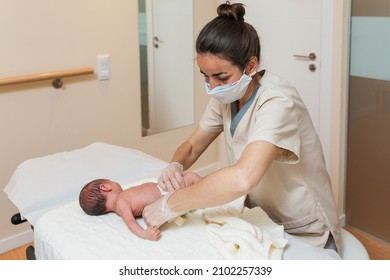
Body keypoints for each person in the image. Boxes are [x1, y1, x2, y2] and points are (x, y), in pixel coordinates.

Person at [143, 1, 342, 255]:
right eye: (205, 76)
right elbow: (193, 146)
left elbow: (243, 177)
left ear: (250, 66)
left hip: (303, 226)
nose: (212, 87)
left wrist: (169, 205)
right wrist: (175, 165)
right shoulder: (226, 97)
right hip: (261, 217)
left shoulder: (278, 101)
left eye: (221, 77)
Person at [79, 172, 201, 241]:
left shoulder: (122, 198)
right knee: (191, 177)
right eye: (110, 180)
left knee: (188, 180)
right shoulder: (120, 204)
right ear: (105, 187)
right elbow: (130, 222)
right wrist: (145, 234)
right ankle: (214, 190)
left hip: (166, 191)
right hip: (166, 195)